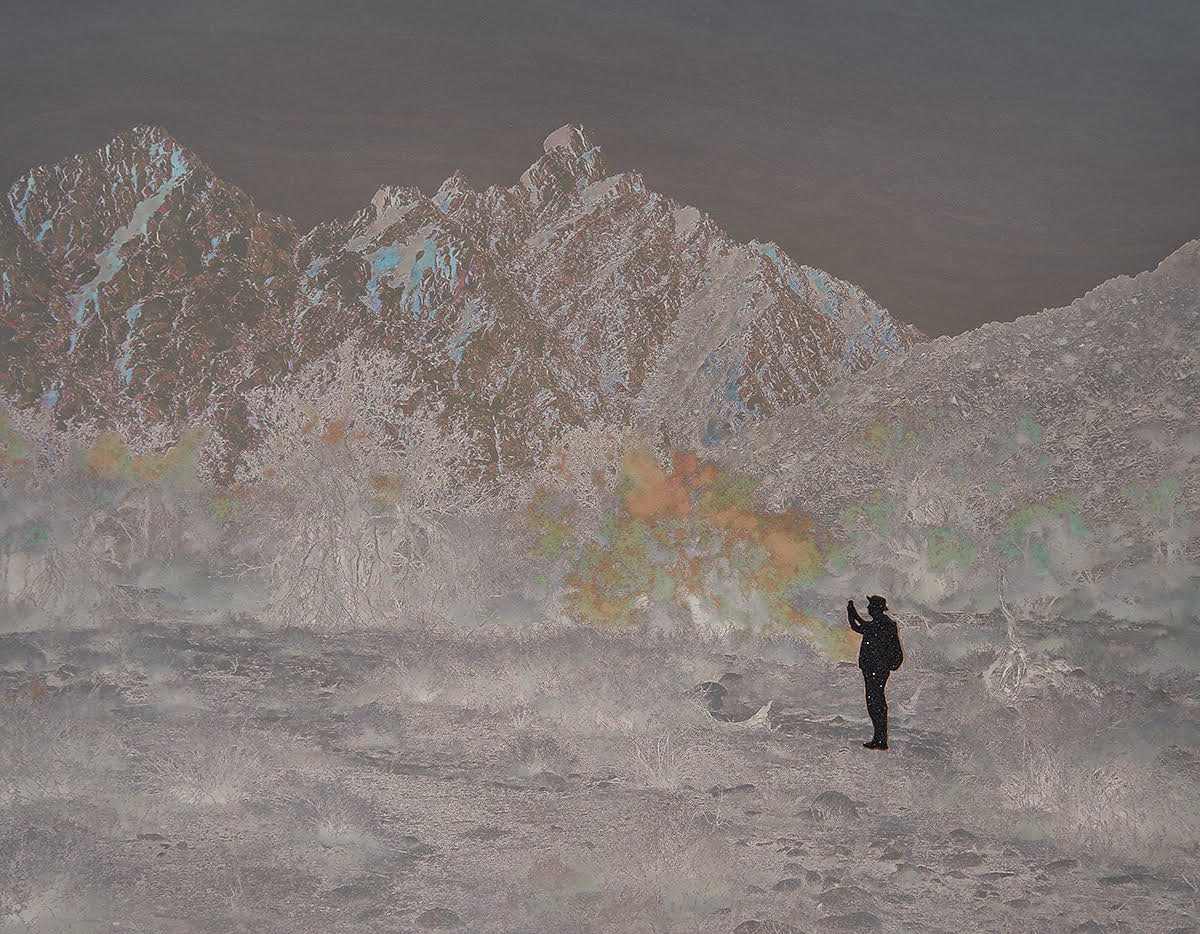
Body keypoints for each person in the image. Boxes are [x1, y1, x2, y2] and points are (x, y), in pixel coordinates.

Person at [848, 595, 904, 749]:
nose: (868, 608)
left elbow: (858, 626)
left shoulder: (880, 625)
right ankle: (880, 737)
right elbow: (860, 625)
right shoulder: (886, 624)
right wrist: (852, 613)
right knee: (877, 700)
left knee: (874, 701)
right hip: (878, 667)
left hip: (875, 668)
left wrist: (851, 612)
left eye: (870, 606)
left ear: (876, 608)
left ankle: (880, 738)